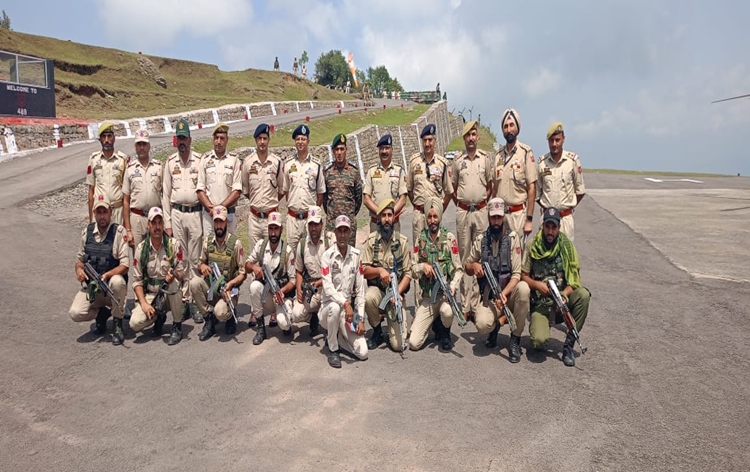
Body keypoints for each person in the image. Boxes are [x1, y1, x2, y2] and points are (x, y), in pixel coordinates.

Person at [521, 207, 590, 367]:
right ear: (543, 226)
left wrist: (565, 295)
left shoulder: (567, 246)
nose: (550, 231)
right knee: (538, 342)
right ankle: (541, 327)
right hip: (541, 304)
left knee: (583, 295)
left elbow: (575, 280)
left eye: (554, 227)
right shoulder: (533, 245)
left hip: (562, 304)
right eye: (547, 227)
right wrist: (537, 285)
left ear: (559, 227)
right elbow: (523, 275)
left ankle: (568, 345)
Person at [464, 198, 529, 362]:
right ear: (488, 217)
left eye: (499, 217)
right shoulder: (481, 240)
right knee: (481, 324)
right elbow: (467, 265)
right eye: (493, 217)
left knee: (523, 289)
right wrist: (475, 266)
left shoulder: (513, 239)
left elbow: (516, 274)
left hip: (509, 295)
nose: (496, 221)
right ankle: (494, 328)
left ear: (504, 217)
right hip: (491, 298)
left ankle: (515, 339)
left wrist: (505, 294)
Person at [69, 194, 129, 345]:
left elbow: (125, 265)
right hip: (93, 289)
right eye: (99, 212)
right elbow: (80, 260)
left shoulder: (118, 232)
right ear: (94, 213)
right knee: (75, 313)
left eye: (105, 212)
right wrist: (79, 271)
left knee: (118, 282)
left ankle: (117, 324)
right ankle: (102, 314)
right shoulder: (87, 232)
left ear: (110, 212)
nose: (102, 216)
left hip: (110, 289)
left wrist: (108, 274)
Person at [162, 118, 205, 324]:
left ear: (190, 138)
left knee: (196, 259)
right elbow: (165, 194)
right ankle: (186, 301)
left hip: (195, 213)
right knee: (182, 259)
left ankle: (197, 302)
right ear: (175, 139)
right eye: (179, 138)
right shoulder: (170, 163)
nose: (182, 142)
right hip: (177, 214)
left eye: (184, 138)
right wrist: (167, 223)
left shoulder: (200, 160)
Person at [452, 120, 494, 320]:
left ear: (477, 137)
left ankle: (476, 304)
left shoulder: (484, 159)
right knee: (464, 258)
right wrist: (463, 203)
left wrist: (479, 201)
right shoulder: (457, 160)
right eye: (467, 135)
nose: (471, 138)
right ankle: (464, 303)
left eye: (473, 134)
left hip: (480, 212)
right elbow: (453, 188)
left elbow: (490, 186)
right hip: (462, 213)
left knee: (479, 257)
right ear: (464, 138)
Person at [410, 197, 463, 351]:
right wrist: (422, 267)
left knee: (446, 311)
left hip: (444, 296)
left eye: (435, 216)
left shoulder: (449, 239)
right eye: (429, 216)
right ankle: (433, 323)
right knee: (414, 343)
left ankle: (445, 333)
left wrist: (452, 286)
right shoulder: (420, 239)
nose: (432, 220)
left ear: (440, 217)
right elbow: (412, 269)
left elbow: (459, 269)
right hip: (428, 297)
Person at [129, 207, 186, 345]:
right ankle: (158, 317)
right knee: (135, 323)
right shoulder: (141, 249)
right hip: (152, 295)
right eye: (154, 223)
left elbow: (182, 272)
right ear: (148, 225)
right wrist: (143, 303)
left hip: (168, 294)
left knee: (174, 284)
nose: (157, 227)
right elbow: (137, 280)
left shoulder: (173, 245)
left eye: (160, 223)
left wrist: (174, 275)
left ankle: (177, 326)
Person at [361, 199, 412, 352]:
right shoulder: (371, 241)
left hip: (395, 294)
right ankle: (377, 331)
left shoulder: (402, 242)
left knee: (397, 346)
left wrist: (397, 293)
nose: (387, 219)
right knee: (368, 297)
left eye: (390, 215)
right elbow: (363, 270)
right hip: (378, 291)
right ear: (379, 219)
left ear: (394, 217)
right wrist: (379, 271)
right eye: (383, 215)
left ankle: (396, 327)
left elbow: (408, 273)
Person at [189, 205, 246, 341]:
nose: (219, 225)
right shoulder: (208, 242)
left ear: (227, 222)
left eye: (221, 221)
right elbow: (200, 263)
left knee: (220, 312)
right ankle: (209, 319)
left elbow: (243, 273)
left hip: (228, 291)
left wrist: (231, 284)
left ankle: (230, 316)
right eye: (216, 222)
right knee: (194, 283)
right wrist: (202, 267)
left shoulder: (236, 244)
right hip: (212, 288)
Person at [319, 215, 368, 368]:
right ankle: (333, 350)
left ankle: (338, 338)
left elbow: (360, 290)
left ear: (350, 233)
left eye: (345, 231)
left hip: (347, 314)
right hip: (328, 310)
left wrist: (360, 318)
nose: (342, 235)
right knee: (334, 307)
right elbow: (327, 288)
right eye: (339, 231)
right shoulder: (327, 256)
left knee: (363, 353)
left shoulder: (356, 255)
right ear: (335, 232)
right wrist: (345, 303)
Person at [282, 206, 335, 337]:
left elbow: (335, 272)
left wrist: (319, 283)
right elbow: (299, 271)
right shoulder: (303, 243)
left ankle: (331, 331)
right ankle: (313, 319)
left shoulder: (330, 240)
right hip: (310, 289)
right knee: (296, 313)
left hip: (328, 287)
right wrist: (299, 289)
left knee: (332, 311)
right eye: (311, 224)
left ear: (321, 224)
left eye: (316, 224)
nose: (313, 228)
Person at [244, 212, 295, 345]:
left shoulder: (288, 251)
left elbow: (293, 281)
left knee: (284, 323)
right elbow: (247, 265)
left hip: (280, 297)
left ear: (281, 230)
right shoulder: (261, 245)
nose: (273, 233)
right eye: (270, 229)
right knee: (254, 286)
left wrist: (282, 291)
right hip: (266, 296)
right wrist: (255, 268)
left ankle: (285, 323)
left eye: (276, 229)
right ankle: (261, 328)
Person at [493, 108, 538, 242]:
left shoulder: (525, 153)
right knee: (499, 258)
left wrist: (529, 219)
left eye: (512, 125)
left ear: (517, 128)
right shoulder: (498, 156)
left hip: (518, 216)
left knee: (517, 258)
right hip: (500, 217)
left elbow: (532, 188)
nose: (508, 130)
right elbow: (494, 188)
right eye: (505, 127)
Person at [537, 122, 586, 242]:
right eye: (551, 140)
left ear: (563, 139)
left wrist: (567, 206)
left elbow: (580, 191)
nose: (554, 144)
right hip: (546, 220)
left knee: (566, 257)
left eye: (557, 140)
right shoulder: (542, 163)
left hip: (565, 220)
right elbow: (538, 193)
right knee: (544, 256)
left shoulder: (572, 161)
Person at [407, 123, 453, 251]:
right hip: (419, 215)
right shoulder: (414, 162)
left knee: (438, 250)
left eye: (430, 140)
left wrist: (439, 209)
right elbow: (409, 189)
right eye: (425, 140)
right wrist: (418, 206)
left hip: (435, 217)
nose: (427, 144)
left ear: (435, 141)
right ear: (422, 142)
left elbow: (449, 192)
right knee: (419, 251)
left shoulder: (442, 164)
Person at [241, 123, 285, 256]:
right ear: (255, 140)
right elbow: (246, 190)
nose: (262, 142)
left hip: (271, 218)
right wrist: (258, 202)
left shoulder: (276, 163)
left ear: (268, 140)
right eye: (259, 138)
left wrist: (269, 202)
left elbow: (282, 189)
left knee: (271, 254)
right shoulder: (248, 163)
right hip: (254, 218)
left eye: (265, 138)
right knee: (255, 255)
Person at [282, 124, 326, 251]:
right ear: (295, 142)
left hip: (309, 220)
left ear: (308, 141)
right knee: (291, 253)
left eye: (303, 139)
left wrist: (313, 213)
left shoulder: (316, 165)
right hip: (293, 219)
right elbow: (286, 190)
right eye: (298, 139)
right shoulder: (289, 164)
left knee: (310, 252)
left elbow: (320, 193)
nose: (300, 142)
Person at [196, 123, 242, 237]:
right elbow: (200, 189)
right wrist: (212, 209)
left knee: (229, 248)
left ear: (227, 140)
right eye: (216, 138)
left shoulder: (234, 161)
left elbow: (236, 191)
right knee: (209, 249)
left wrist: (220, 209)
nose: (218, 141)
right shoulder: (205, 160)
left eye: (222, 138)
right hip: (209, 216)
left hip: (228, 215)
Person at [123, 128, 163, 250]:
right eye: (139, 144)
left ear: (149, 146)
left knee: (157, 253)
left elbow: (165, 195)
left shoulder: (159, 167)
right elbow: (125, 200)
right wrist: (128, 229)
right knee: (138, 257)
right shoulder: (129, 169)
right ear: (135, 147)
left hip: (155, 217)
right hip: (137, 218)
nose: (141, 147)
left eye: (144, 144)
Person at [86, 121, 129, 224]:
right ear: (100, 139)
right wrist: (91, 219)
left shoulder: (122, 160)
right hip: (100, 211)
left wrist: (126, 221)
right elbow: (91, 190)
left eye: (109, 136)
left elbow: (126, 192)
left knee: (118, 239)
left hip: (117, 211)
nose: (106, 140)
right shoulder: (93, 159)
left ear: (114, 138)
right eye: (103, 137)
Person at [363, 134, 407, 233]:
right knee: (375, 248)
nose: (384, 151)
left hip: (393, 223)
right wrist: (381, 213)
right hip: (376, 223)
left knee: (394, 248)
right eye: (381, 148)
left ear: (392, 150)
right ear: (378, 151)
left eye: (387, 148)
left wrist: (390, 214)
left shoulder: (399, 171)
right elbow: (366, 199)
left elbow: (403, 199)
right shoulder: (372, 171)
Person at [323, 133, 362, 246]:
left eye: (341, 149)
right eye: (336, 149)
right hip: (332, 224)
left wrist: (350, 213)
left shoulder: (353, 171)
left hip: (348, 223)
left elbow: (358, 199)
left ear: (346, 150)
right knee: (331, 256)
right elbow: (325, 199)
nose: (339, 153)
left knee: (349, 257)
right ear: (333, 151)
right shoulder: (327, 172)